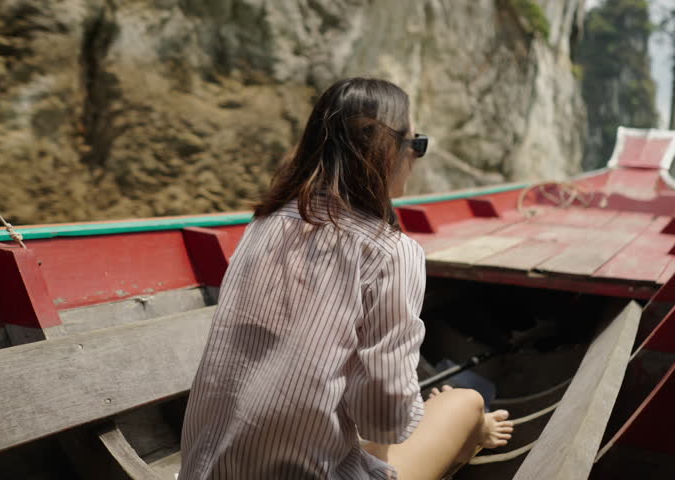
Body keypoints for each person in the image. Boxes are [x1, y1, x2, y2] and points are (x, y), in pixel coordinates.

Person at [179, 77, 513, 480]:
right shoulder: (392, 252)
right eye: (416, 145)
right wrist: (422, 410)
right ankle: (475, 430)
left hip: (205, 472)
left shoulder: (264, 223)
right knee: (467, 401)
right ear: (388, 150)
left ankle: (468, 430)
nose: (416, 158)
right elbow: (384, 422)